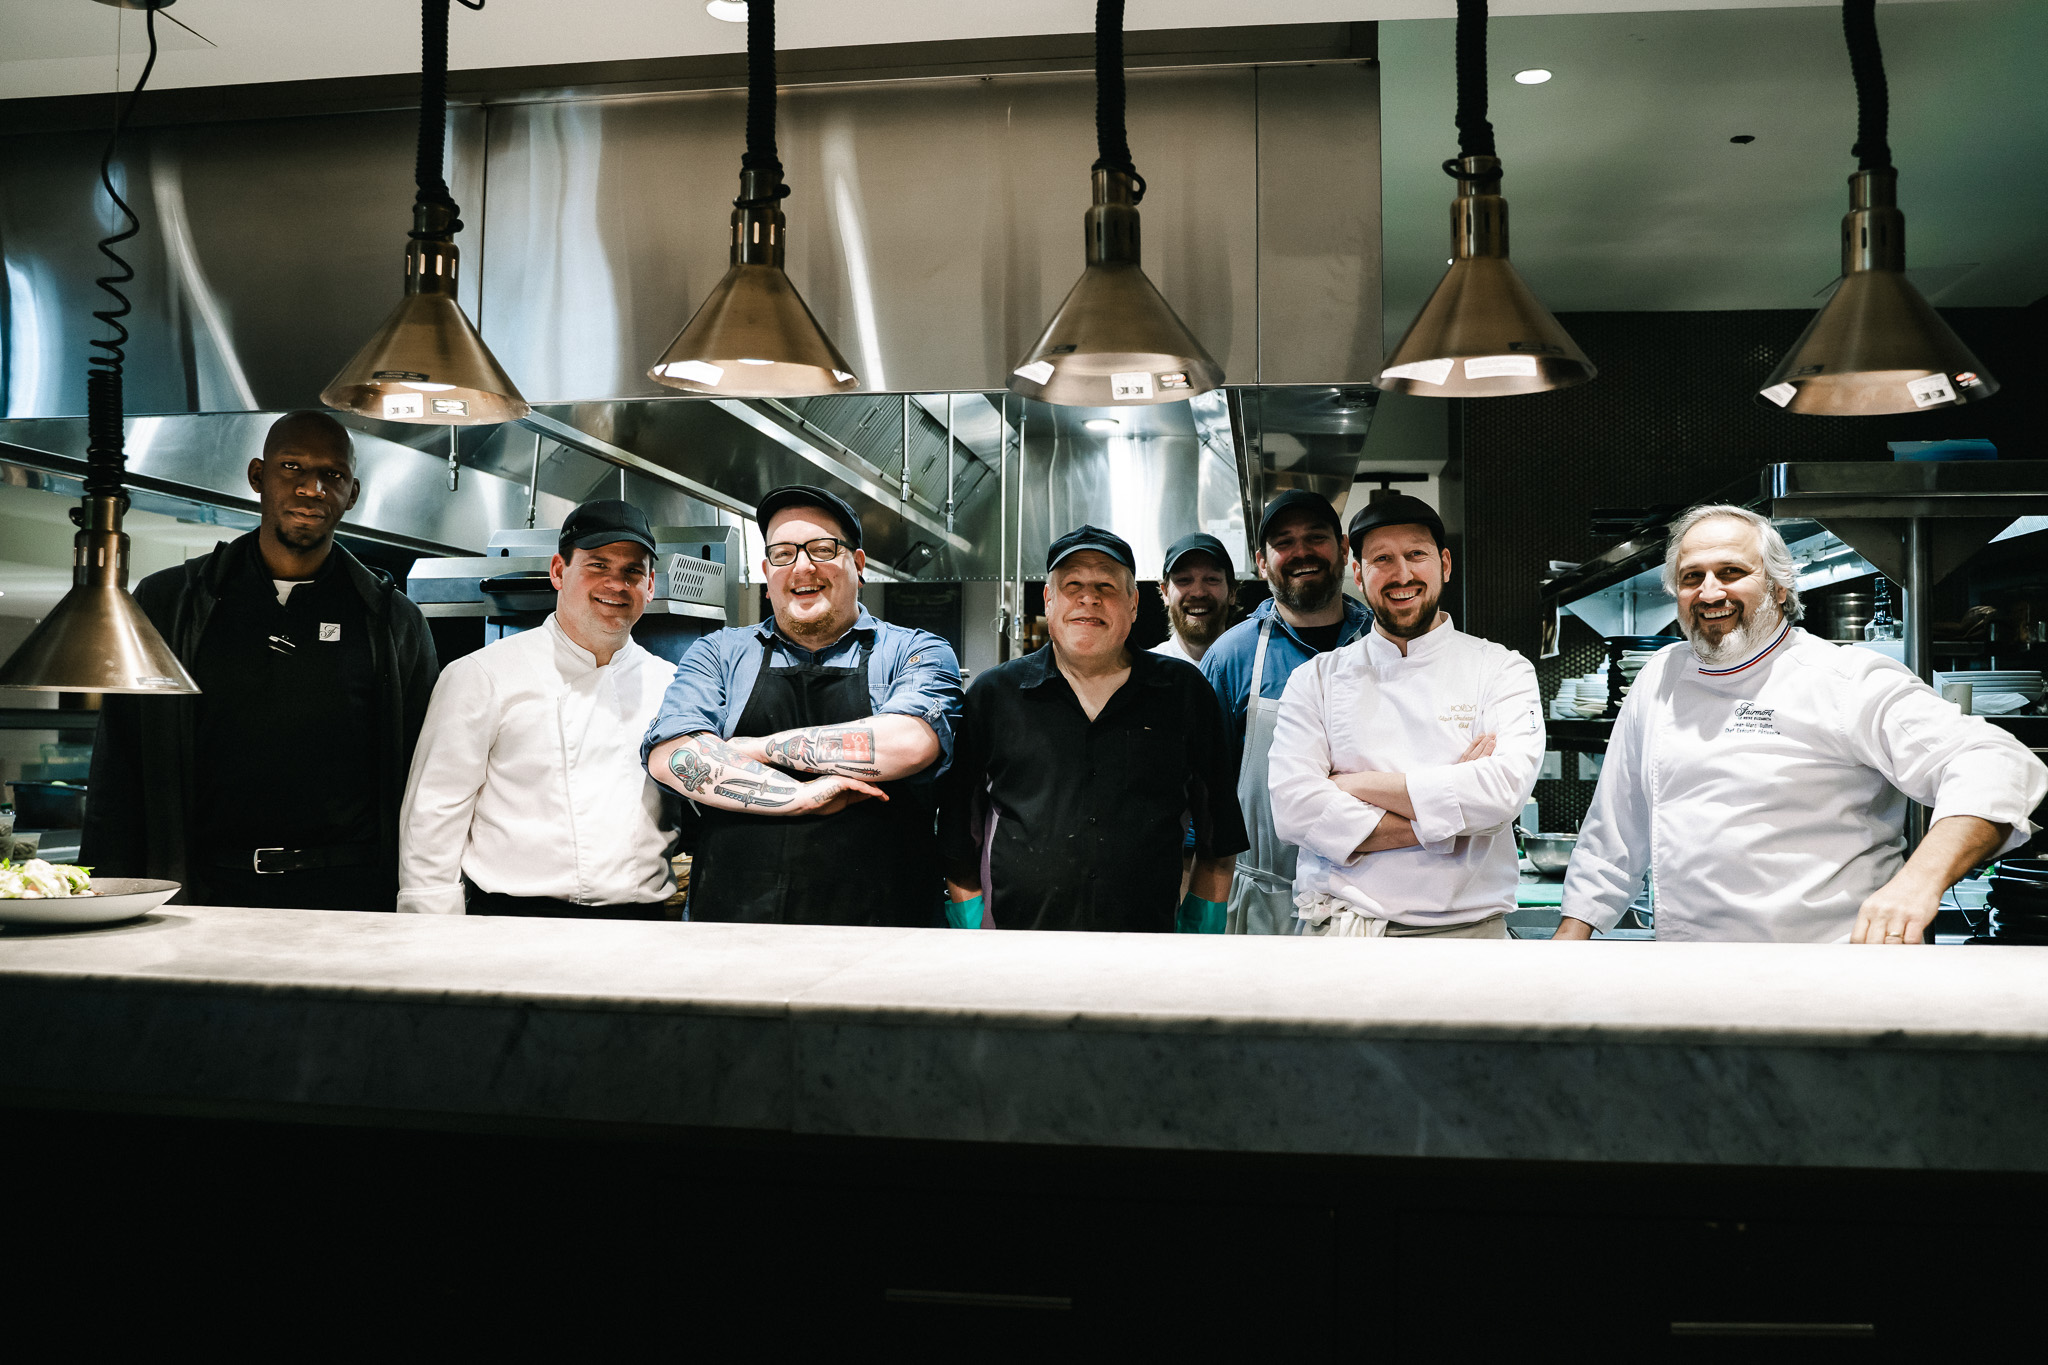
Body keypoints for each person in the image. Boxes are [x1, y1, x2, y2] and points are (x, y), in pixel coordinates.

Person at [1559, 503, 2047, 944]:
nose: (1709, 591)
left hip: (1828, 967)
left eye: (1731, 572)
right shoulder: (1659, 676)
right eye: (1692, 577)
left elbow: (1996, 762)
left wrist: (1918, 883)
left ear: (1779, 586)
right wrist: (1570, 937)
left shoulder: (1845, 679)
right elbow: (1615, 827)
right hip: (1691, 966)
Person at [82, 410, 438, 911]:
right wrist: (100, 898)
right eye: (292, 467)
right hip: (203, 895)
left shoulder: (393, 620)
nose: (312, 488)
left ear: (352, 493)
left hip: (350, 899)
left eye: (333, 474)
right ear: (257, 476)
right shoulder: (168, 602)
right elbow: (119, 768)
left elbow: (428, 779)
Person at [643, 485, 962, 925]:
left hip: (884, 934)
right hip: (733, 933)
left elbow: (909, 744)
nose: (802, 566)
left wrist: (751, 749)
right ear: (767, 573)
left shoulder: (915, 651)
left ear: (859, 565)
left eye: (823, 549)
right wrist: (802, 796)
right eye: (783, 554)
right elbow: (672, 756)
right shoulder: (718, 653)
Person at [940, 526, 1247, 933]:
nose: (1089, 598)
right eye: (1073, 586)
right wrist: (970, 928)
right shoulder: (994, 695)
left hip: (1147, 949)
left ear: (1134, 603)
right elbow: (959, 838)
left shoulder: (1184, 693)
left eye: (1106, 585)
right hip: (1017, 949)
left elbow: (1217, 841)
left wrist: (1198, 931)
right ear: (1049, 601)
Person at [1269, 495, 1544, 937]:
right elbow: (1295, 809)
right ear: (1359, 573)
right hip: (1345, 934)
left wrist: (1355, 785)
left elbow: (1501, 793)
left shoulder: (1502, 669)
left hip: (1470, 936)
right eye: (1382, 559)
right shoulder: (1315, 679)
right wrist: (1453, 822)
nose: (1402, 574)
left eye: (1416, 554)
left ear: (1445, 564)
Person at [397, 500, 679, 919]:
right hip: (515, 924)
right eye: (598, 565)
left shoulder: (672, 685)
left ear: (650, 585)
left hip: (642, 925)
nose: (616, 584)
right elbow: (434, 812)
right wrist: (430, 932)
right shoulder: (482, 675)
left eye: (632, 571)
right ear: (558, 571)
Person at [1199, 490, 1372, 933]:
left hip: (1373, 901)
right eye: (1284, 542)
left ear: (1344, 548)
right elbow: (1200, 795)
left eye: (1316, 537)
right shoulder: (1231, 658)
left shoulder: (1385, 645)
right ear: (1262, 562)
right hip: (1261, 908)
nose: (1302, 552)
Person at [1153, 532, 1236, 665]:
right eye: (1184, 580)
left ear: (1232, 592)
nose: (1198, 593)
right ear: (1165, 593)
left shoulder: (1255, 665)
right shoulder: (1146, 670)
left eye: (1211, 579)